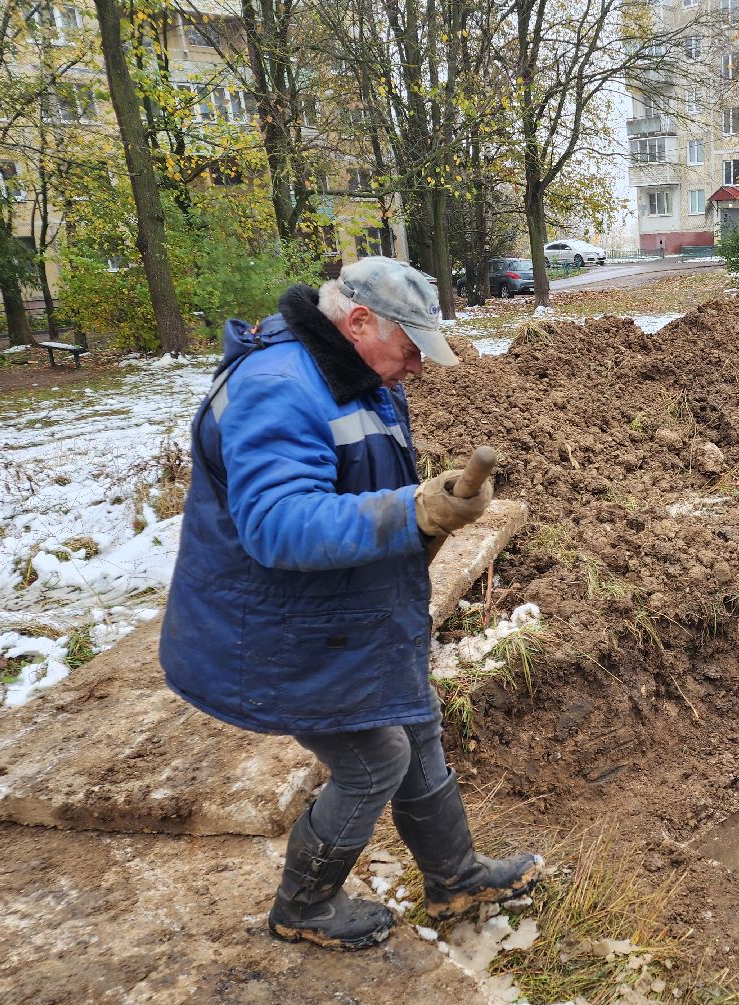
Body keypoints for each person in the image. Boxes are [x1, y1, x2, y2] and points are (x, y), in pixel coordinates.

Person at [159, 256, 541, 951]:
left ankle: (455, 879)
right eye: (410, 349)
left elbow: (352, 485)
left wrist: (432, 509)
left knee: (415, 721)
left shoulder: (355, 375)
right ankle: (303, 907)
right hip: (277, 631)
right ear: (359, 321)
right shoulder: (277, 387)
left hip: (344, 613)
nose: (417, 368)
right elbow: (278, 522)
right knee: (376, 758)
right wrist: (413, 511)